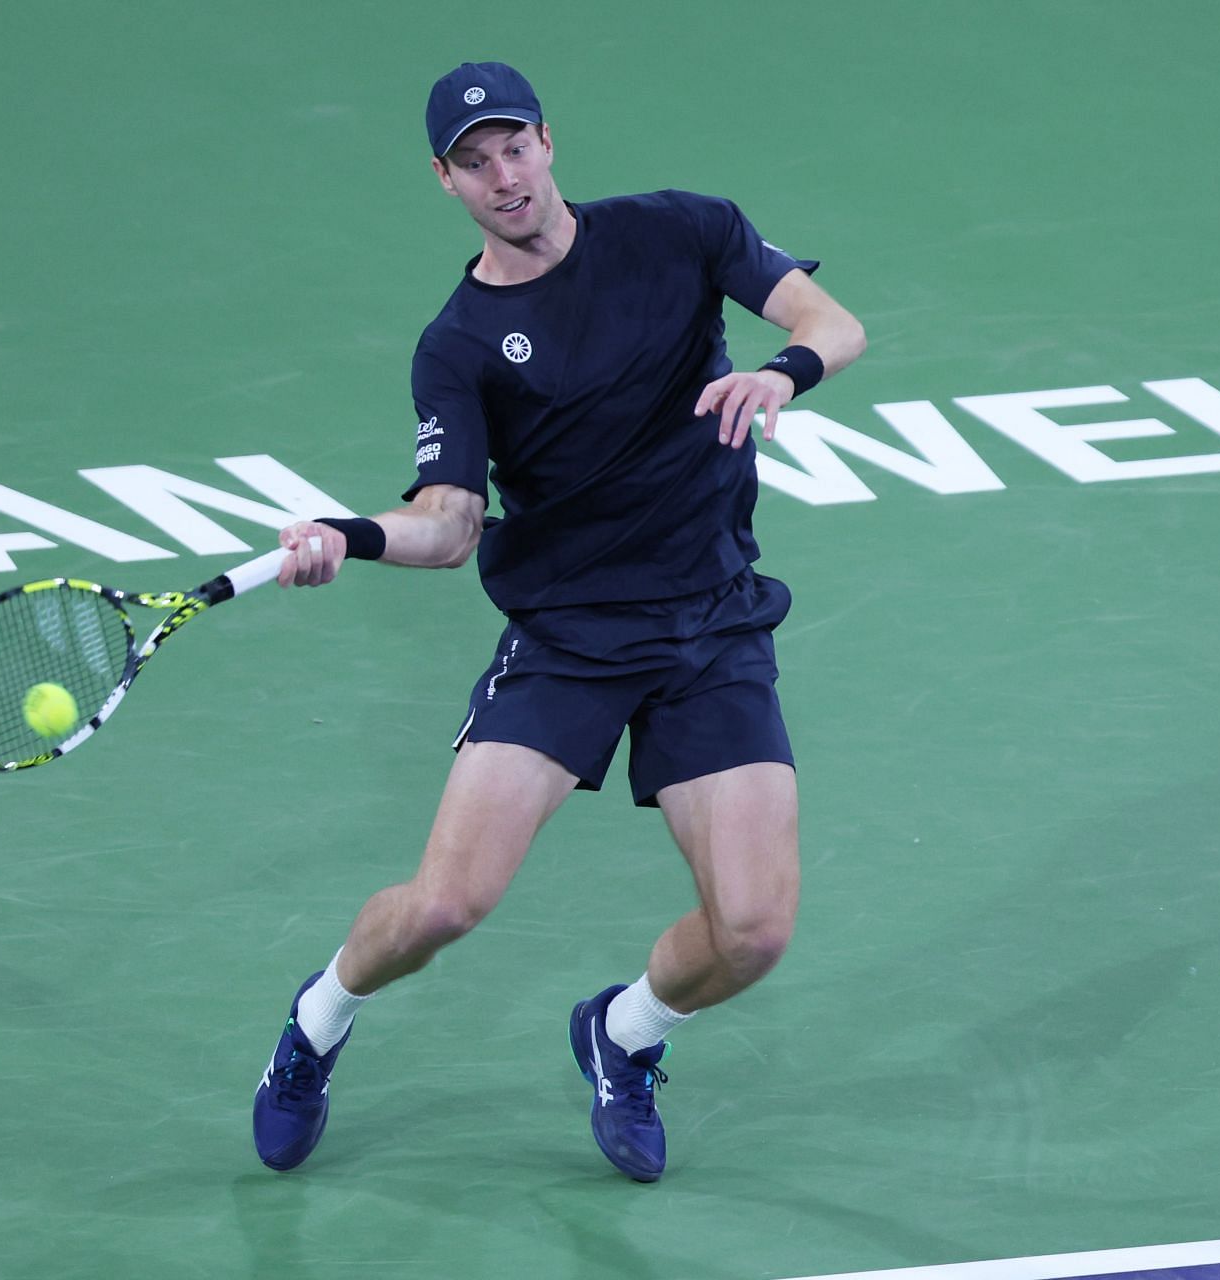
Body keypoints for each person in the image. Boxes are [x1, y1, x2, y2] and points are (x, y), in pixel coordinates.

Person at [252, 60, 865, 1182]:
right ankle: (320, 1016)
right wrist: (354, 532)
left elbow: (832, 320)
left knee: (755, 931)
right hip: (569, 637)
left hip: (710, 625)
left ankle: (623, 1032)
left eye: (514, 147)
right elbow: (447, 524)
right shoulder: (460, 345)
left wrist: (784, 373)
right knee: (443, 906)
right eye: (474, 162)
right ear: (445, 180)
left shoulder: (682, 231)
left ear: (547, 140)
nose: (504, 176)